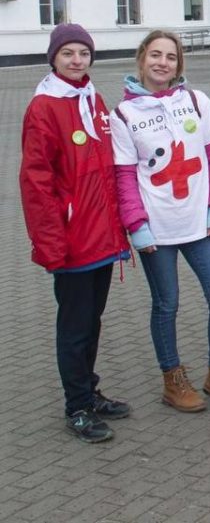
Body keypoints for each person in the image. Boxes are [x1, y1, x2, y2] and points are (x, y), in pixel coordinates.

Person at [111, 30, 210, 414]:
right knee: (166, 304)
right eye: (155, 55)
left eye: (170, 57)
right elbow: (123, 176)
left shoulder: (196, 101)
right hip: (156, 228)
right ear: (141, 59)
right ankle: (172, 379)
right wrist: (136, 225)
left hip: (200, 224)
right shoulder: (123, 115)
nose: (162, 63)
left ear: (179, 64)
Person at [20, 23, 130, 443]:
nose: (77, 60)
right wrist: (50, 243)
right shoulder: (45, 107)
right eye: (68, 53)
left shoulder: (92, 97)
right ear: (53, 58)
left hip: (99, 237)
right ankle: (77, 407)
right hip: (70, 241)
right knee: (75, 326)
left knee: (92, 320)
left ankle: (89, 390)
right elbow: (36, 182)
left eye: (83, 53)